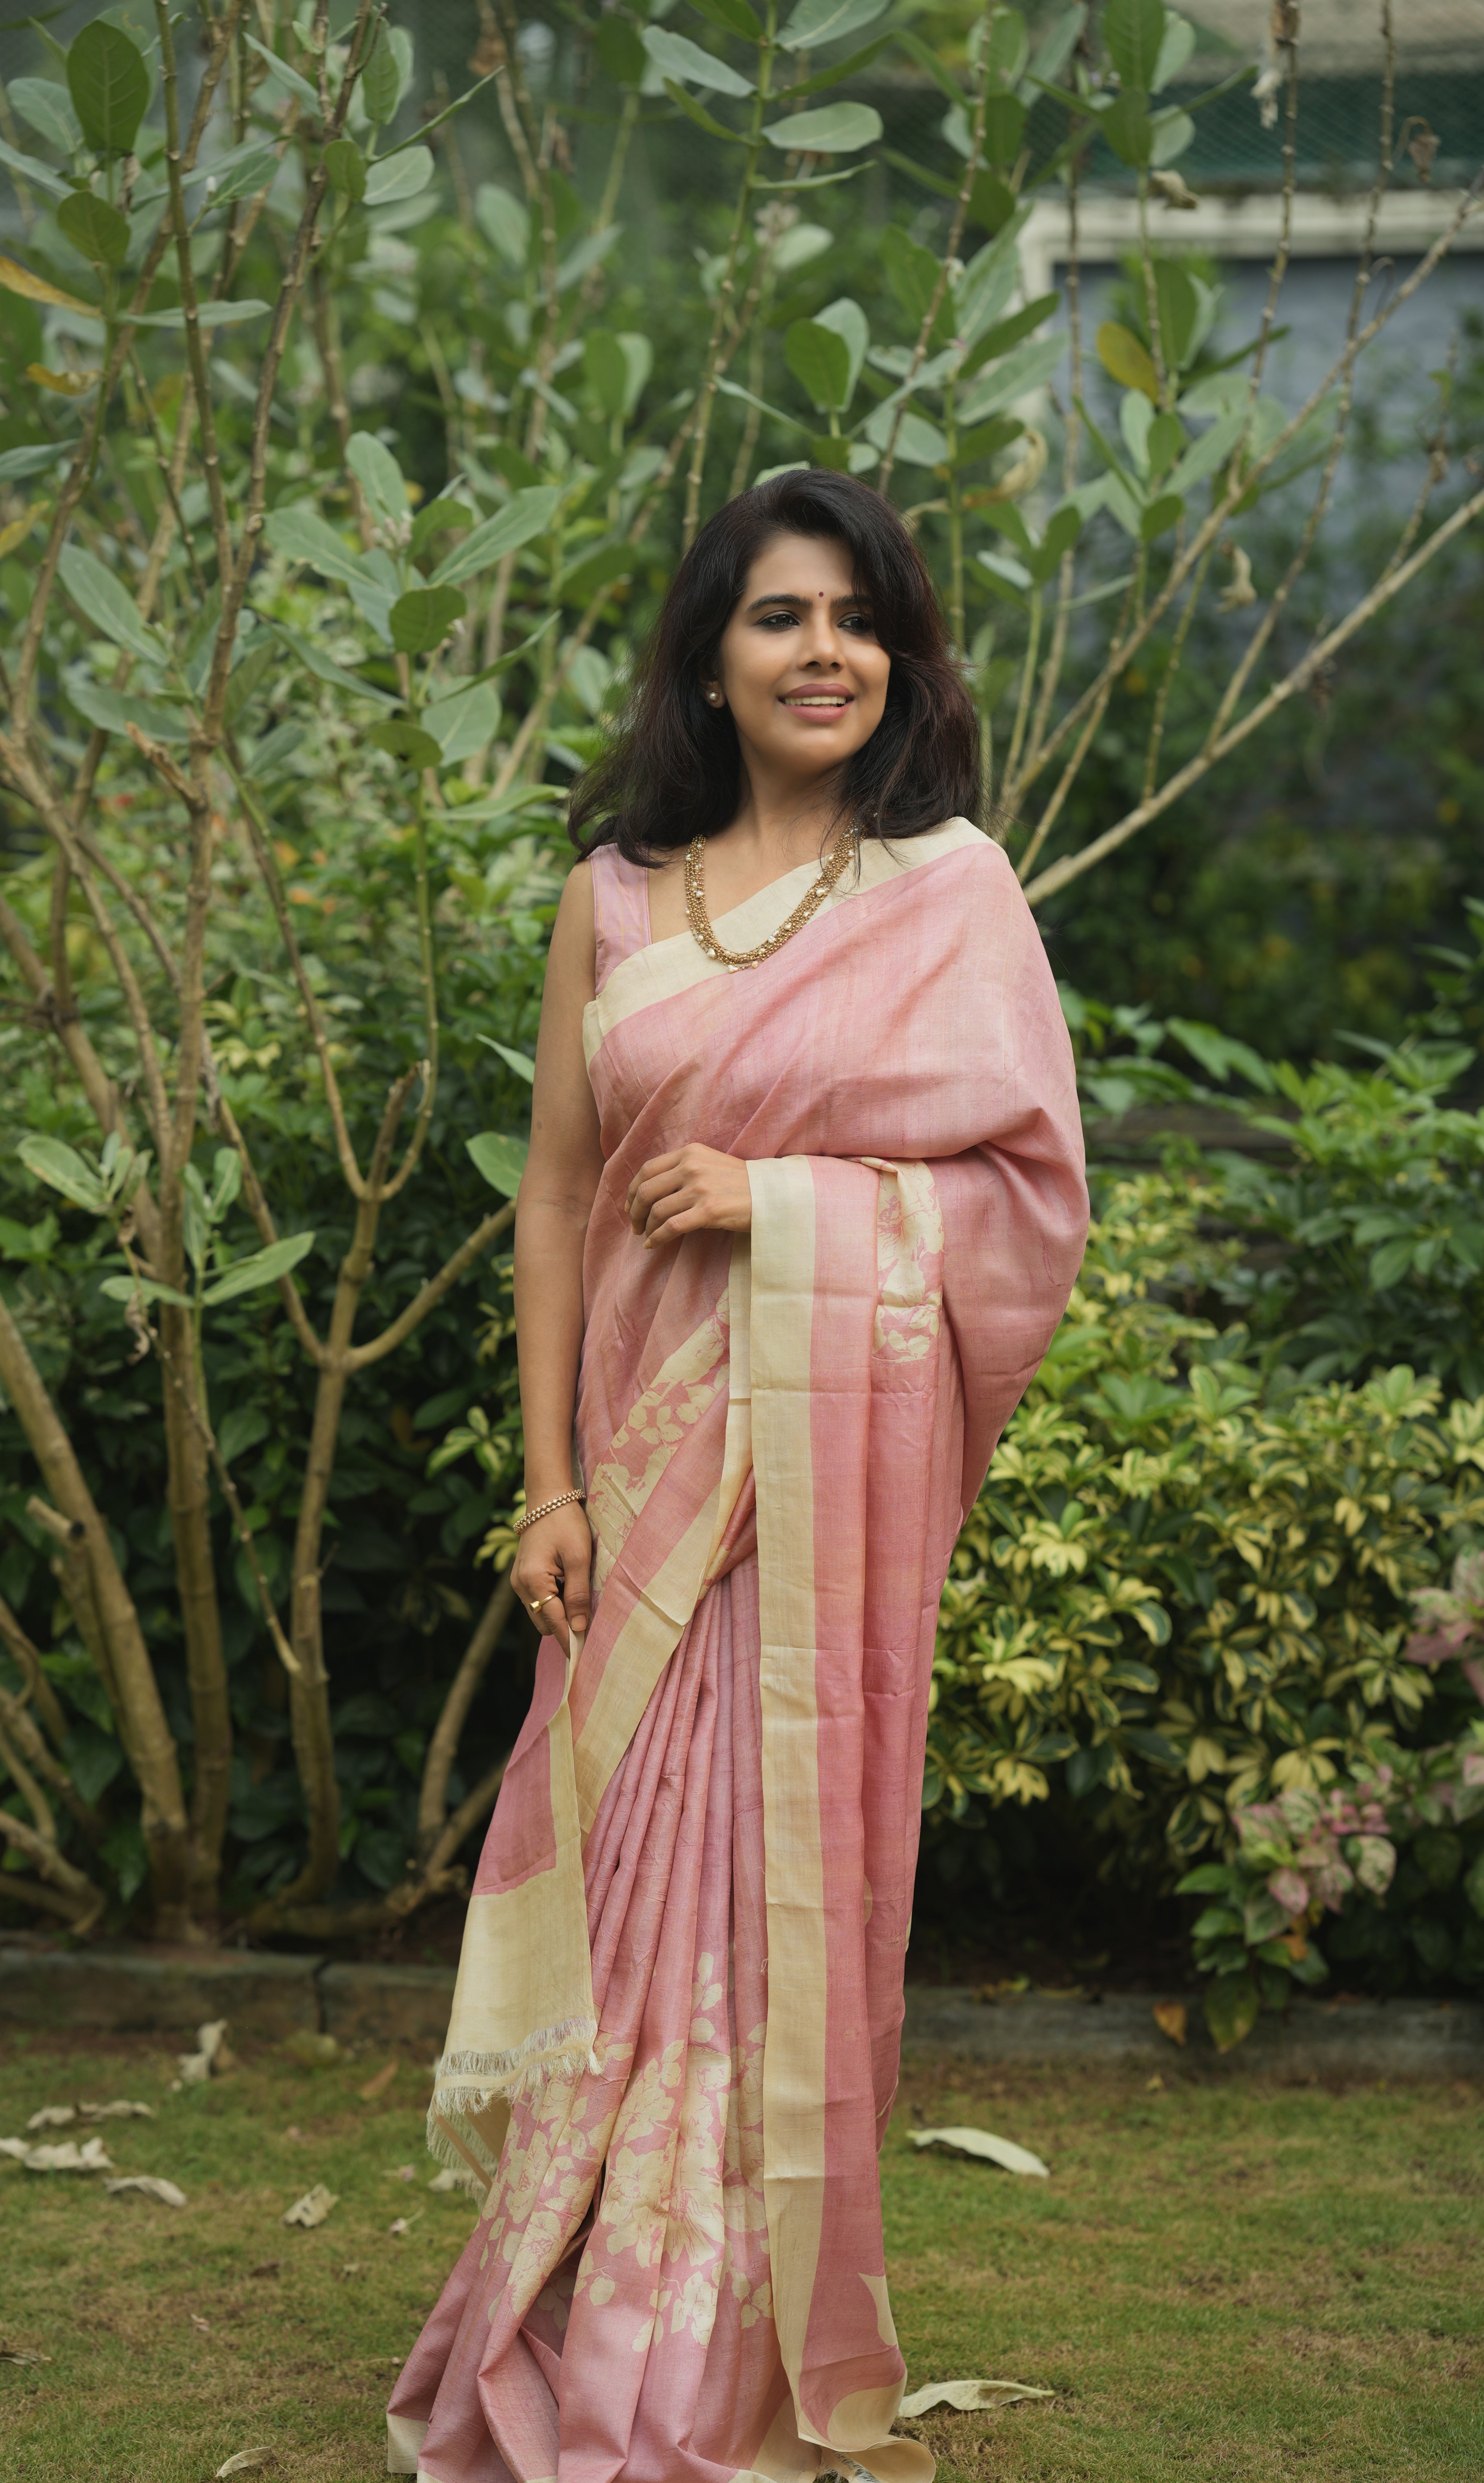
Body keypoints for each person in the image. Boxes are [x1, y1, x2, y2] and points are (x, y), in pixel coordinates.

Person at [387, 468, 1088, 2483]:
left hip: (812, 1509)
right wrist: (548, 1483)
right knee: (624, 1916)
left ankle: (696, 2362)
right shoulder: (613, 893)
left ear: (902, 657)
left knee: (761, 1914)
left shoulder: (947, 893)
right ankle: (565, 2303)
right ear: (710, 648)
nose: (827, 653)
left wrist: (782, 1198)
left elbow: (1028, 1202)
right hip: (640, 1481)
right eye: (782, 615)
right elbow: (550, 1196)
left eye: (861, 618)